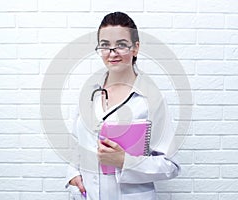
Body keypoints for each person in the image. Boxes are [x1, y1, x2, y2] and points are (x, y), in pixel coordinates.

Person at [65, 11, 180, 200]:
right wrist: (72, 173)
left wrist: (124, 161)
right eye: (105, 45)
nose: (112, 53)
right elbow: (77, 142)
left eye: (121, 45)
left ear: (135, 48)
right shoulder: (89, 92)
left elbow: (170, 165)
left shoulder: (152, 99)